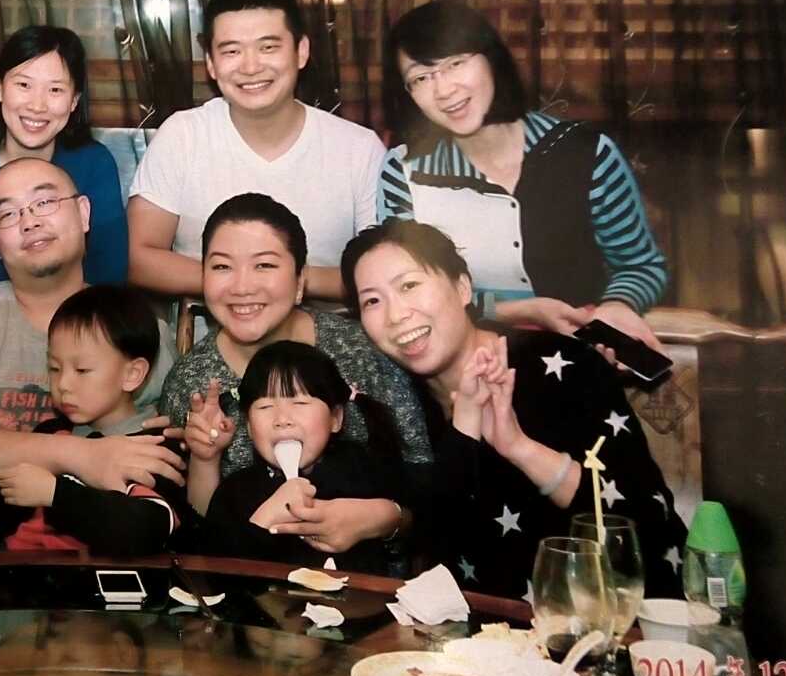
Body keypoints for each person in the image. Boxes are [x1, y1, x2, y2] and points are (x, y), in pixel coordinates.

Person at [341, 218, 687, 599]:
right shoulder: (397, 405)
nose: (396, 315)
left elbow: (643, 524)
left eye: (409, 285)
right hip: (484, 627)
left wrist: (519, 447)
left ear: (462, 288)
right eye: (372, 301)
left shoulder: (561, 364)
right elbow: (433, 546)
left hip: (619, 614)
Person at [0, 158, 184, 550]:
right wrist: (80, 455)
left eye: (45, 203)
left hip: (107, 562)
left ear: (84, 213)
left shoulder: (139, 327)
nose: (30, 222)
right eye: (8, 214)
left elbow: (166, 463)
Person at [374, 1, 668, 350]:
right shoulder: (404, 170)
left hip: (578, 357)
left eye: (455, 64)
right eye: (421, 78)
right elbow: (404, 289)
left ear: (491, 58)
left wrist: (618, 305)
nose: (444, 90)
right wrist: (516, 311)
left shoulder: (586, 154)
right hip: (454, 361)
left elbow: (640, 265)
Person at [161, 193, 431, 553]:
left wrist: (384, 520)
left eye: (264, 265)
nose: (242, 287)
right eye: (222, 267)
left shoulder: (360, 352)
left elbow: (428, 495)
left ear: (300, 281)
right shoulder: (190, 382)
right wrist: (203, 457)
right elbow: (195, 535)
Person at [128, 0, 383, 301]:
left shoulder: (359, 149)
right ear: (211, 63)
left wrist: (285, 282)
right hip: (208, 328)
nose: (250, 67)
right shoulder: (183, 136)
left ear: (301, 51)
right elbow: (140, 259)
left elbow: (383, 272)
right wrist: (248, 284)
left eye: (268, 48)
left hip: (329, 331)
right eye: (232, 51)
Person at [0, 285, 187, 555]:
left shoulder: (156, 448)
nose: (63, 383)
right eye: (55, 368)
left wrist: (55, 494)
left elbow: (145, 531)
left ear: (132, 374)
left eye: (82, 370)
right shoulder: (48, 436)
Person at [0, 25, 126, 287]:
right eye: (24, 85)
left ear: (74, 101)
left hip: (78, 310)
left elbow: (110, 272)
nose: (37, 106)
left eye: (55, 90)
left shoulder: (94, 164)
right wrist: (56, 262)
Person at [197, 341, 408, 573]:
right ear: (248, 426)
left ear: (335, 418)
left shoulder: (363, 470)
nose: (282, 419)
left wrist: (383, 517)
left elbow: (417, 529)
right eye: (265, 406)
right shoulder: (235, 492)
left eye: (300, 403)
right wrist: (262, 522)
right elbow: (211, 571)